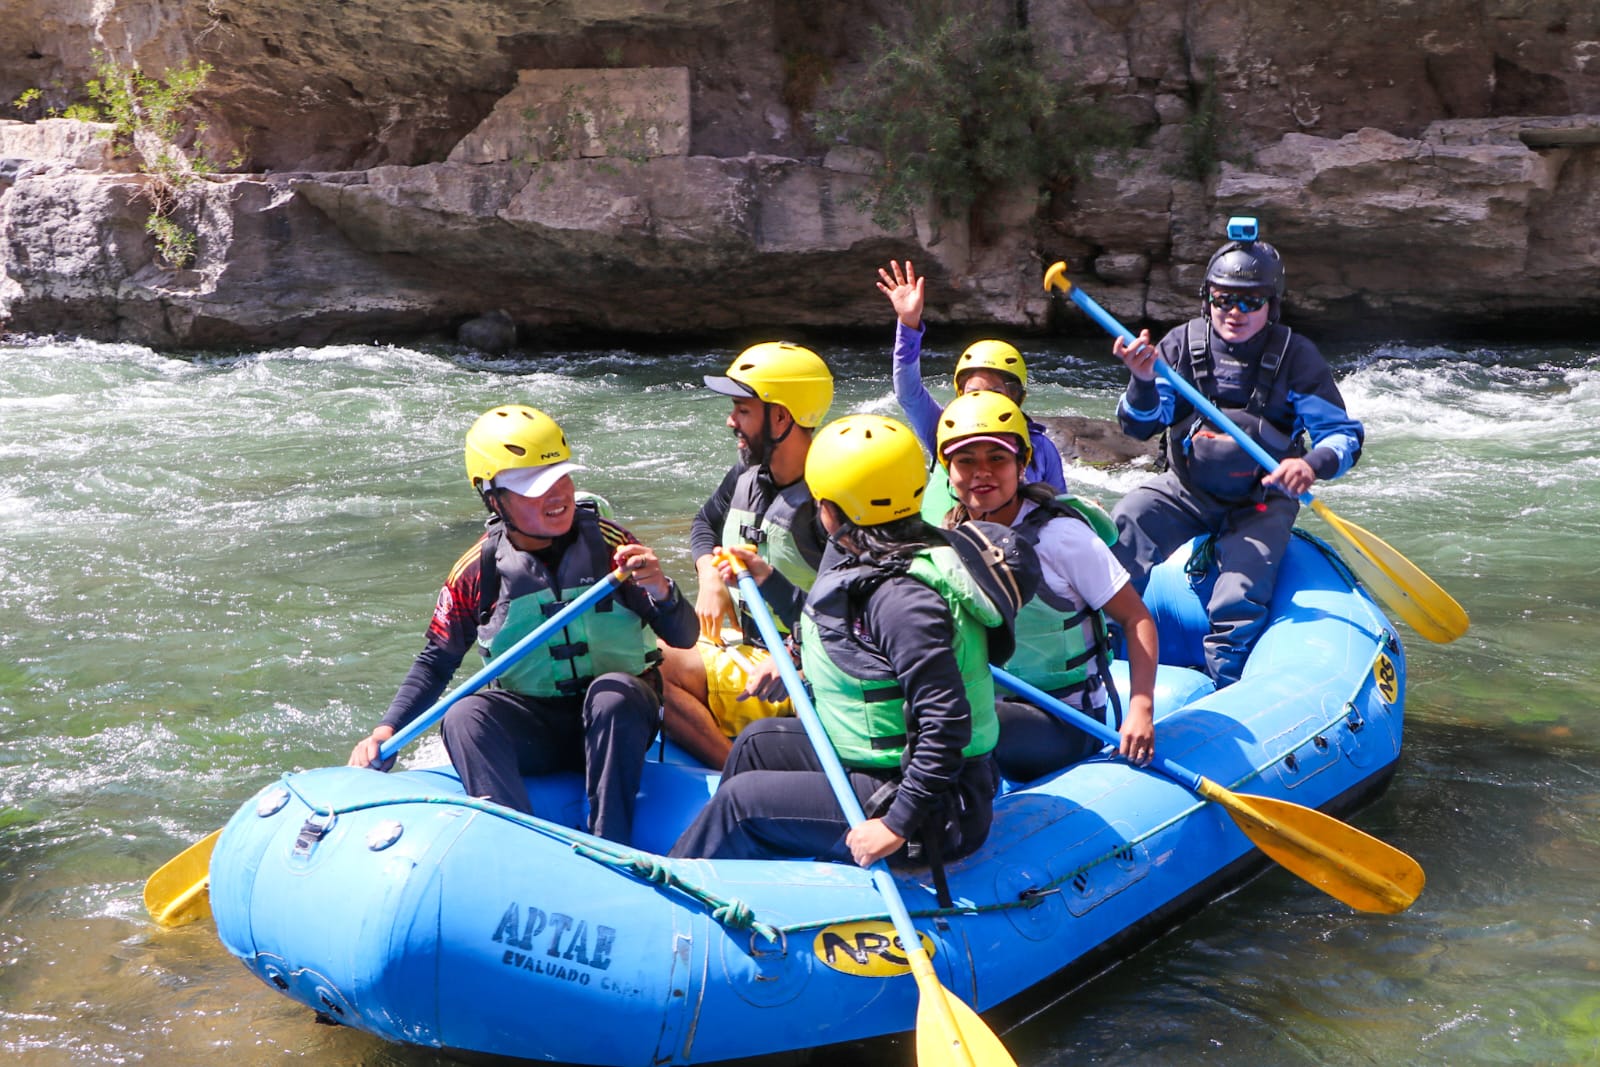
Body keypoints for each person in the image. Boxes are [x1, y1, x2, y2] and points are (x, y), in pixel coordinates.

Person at [347, 404, 697, 846]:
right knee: (464, 714)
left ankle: (612, 844)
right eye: (535, 486)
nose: (557, 495)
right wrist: (387, 730)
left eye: (562, 478)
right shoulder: (477, 572)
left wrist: (661, 588)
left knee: (612, 694)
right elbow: (437, 660)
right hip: (538, 726)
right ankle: (516, 845)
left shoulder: (612, 546)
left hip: (617, 721)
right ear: (493, 498)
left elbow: (684, 637)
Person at [670, 414, 1005, 869]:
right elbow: (838, 631)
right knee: (756, 742)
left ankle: (678, 883)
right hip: (884, 761)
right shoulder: (882, 553)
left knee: (742, 801)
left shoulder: (902, 600)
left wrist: (894, 825)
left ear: (834, 509)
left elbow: (946, 724)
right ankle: (746, 871)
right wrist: (768, 580)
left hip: (934, 808)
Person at [1110, 228, 1364, 686]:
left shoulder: (1297, 357)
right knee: (1128, 517)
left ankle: (1226, 689)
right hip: (1185, 490)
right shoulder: (1180, 346)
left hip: (1261, 500)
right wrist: (1142, 381)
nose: (1236, 312)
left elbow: (1343, 437)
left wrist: (1310, 465)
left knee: (1237, 595)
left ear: (1272, 303)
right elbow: (1138, 425)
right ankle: (1100, 661)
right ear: (1207, 299)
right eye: (1224, 299)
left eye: (1251, 301)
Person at [935, 391, 1159, 781]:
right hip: (993, 706)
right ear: (948, 470)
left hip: (1068, 721)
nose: (981, 472)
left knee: (957, 721)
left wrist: (1141, 707)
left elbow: (1135, 617)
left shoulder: (1062, 537)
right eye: (966, 461)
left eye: (997, 459)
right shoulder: (948, 541)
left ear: (1022, 466)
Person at [658, 342, 833, 768]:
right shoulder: (749, 473)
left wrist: (792, 654)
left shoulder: (828, 503)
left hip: (800, 668)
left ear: (780, 417)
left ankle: (728, 768)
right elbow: (704, 523)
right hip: (744, 644)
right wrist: (710, 576)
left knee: (653, 667)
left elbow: (854, 611)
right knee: (631, 646)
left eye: (742, 409)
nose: (730, 421)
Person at [877, 258, 1067, 495]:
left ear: (1016, 397)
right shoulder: (943, 429)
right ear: (960, 395)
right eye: (975, 393)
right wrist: (908, 324)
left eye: (995, 393)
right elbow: (908, 392)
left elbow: (1061, 503)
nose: (984, 401)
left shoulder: (1039, 446)